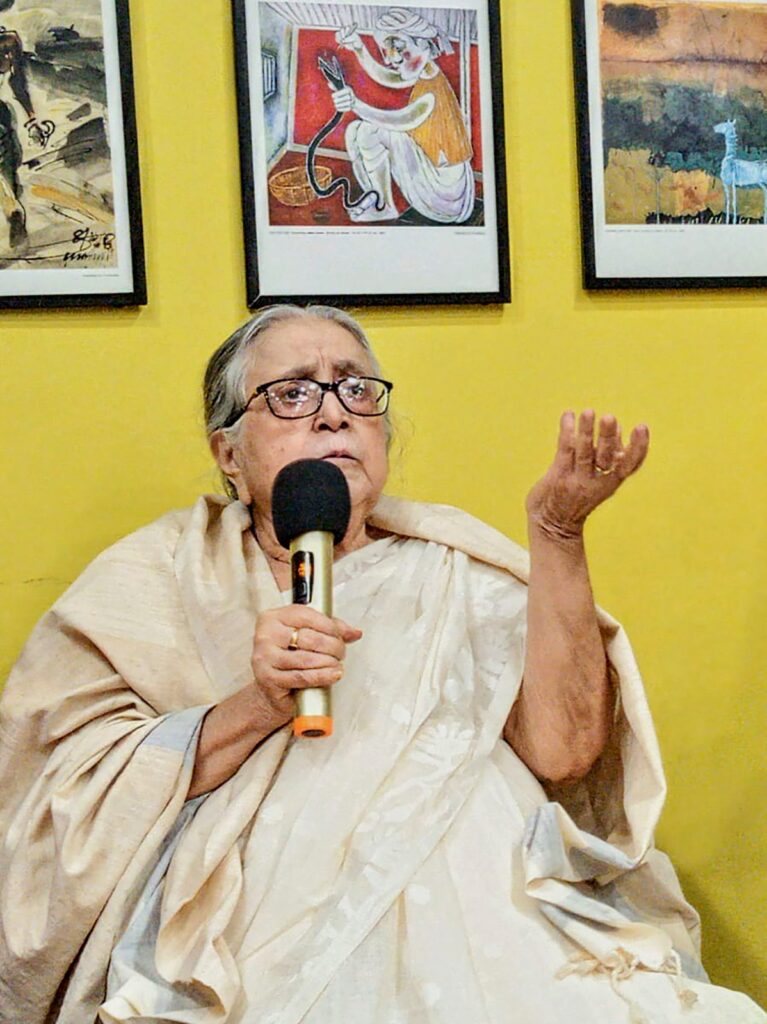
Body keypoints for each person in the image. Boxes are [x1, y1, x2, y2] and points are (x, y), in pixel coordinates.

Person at [0, 304, 764, 1024]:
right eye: (292, 393)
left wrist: (557, 535)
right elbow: (65, 788)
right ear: (227, 453)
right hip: (247, 926)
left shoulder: (454, 565)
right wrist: (257, 705)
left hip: (491, 918)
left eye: (356, 390)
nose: (334, 413)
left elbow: (563, 755)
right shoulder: (156, 578)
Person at [333, 7, 475, 224]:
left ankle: (385, 207)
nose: (392, 59)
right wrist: (359, 48)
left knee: (367, 132)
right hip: (440, 179)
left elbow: (401, 121)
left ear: (423, 43)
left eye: (399, 49)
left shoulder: (431, 92)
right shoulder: (427, 70)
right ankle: (379, 198)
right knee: (357, 129)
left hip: (446, 193)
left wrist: (355, 105)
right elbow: (389, 77)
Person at [0, 2, 52, 248]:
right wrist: (32, 120)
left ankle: (13, 210)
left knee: (6, 181)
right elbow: (18, 84)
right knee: (8, 173)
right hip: (2, 116)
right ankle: (14, 215)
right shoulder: (8, 42)